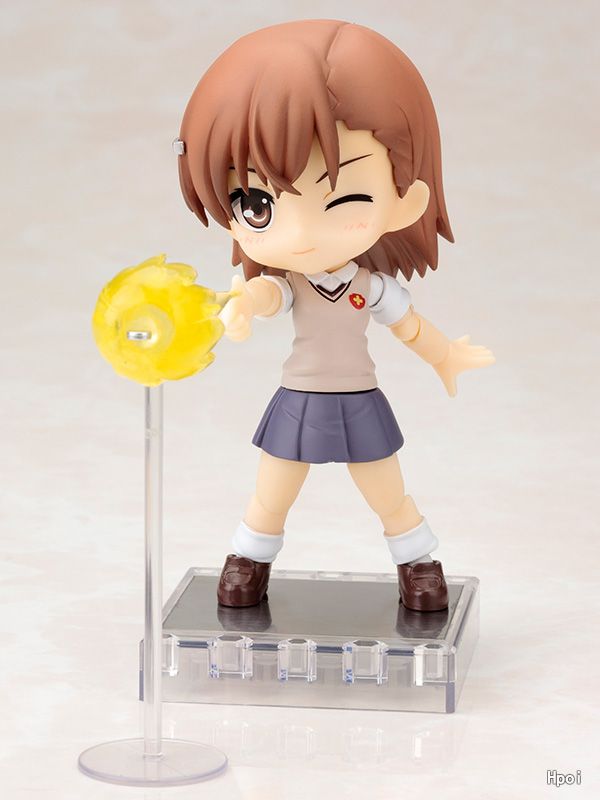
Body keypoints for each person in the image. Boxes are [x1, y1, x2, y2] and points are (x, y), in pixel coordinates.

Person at [175, 20, 494, 611]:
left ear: (406, 201)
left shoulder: (368, 286)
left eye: (344, 198)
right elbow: (270, 297)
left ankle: (418, 563)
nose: (299, 235)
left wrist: (445, 355)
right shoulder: (293, 282)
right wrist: (244, 302)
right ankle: (248, 560)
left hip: (359, 397)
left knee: (387, 491)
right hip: (298, 397)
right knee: (272, 493)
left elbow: (408, 325)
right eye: (257, 203)